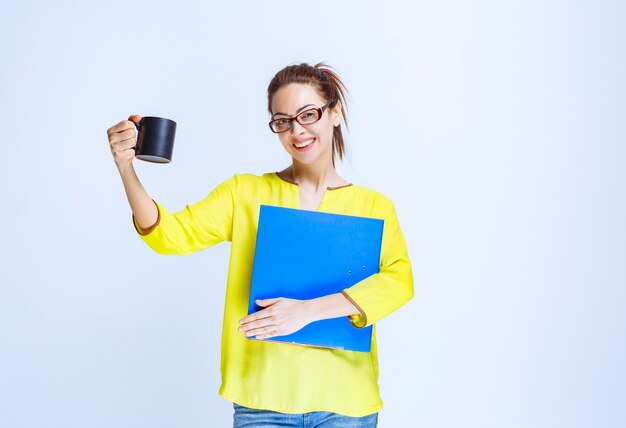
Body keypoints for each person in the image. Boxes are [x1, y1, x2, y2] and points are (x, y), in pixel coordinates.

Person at [106, 62, 414, 427]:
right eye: (283, 121)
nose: (296, 131)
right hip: (263, 404)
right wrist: (125, 168)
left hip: (346, 403)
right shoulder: (245, 193)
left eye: (308, 115)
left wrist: (306, 311)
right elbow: (171, 235)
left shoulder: (374, 206)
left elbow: (398, 282)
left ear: (335, 113)